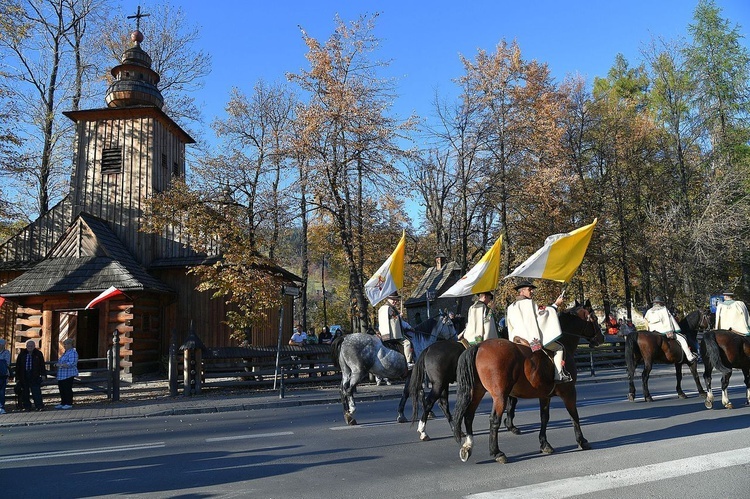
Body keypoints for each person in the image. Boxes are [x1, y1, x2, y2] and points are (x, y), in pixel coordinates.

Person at [506, 281, 571, 383]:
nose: (532, 291)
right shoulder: (529, 303)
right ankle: (559, 375)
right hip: (530, 340)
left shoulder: (510, 307)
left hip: (516, 340)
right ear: (522, 291)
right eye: (529, 289)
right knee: (559, 348)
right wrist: (555, 305)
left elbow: (509, 326)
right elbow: (541, 316)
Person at [644, 297, 697, 364]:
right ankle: (690, 357)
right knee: (682, 339)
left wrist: (648, 331)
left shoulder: (649, 311)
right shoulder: (664, 310)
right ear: (661, 303)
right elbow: (669, 320)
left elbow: (645, 321)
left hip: (652, 332)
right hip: (663, 331)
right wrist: (673, 330)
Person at [378, 292, 413, 364]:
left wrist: (408, 326)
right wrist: (399, 316)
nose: (395, 301)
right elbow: (392, 320)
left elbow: (395, 320)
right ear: (388, 299)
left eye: (396, 300)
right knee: (407, 343)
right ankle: (408, 362)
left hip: (388, 333)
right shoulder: (388, 308)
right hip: (392, 335)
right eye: (393, 299)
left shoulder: (388, 308)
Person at [15, 340, 47, 411]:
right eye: (28, 346)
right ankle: (27, 407)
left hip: (34, 375)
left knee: (36, 392)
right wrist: (17, 378)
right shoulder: (22, 354)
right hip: (24, 375)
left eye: (31, 346)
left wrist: (43, 374)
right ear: (26, 346)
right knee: (25, 392)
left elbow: (42, 365)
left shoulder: (38, 354)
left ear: (34, 346)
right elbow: (18, 366)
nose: (30, 347)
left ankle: (39, 406)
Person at [55, 338, 79, 410]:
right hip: (62, 374)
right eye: (64, 344)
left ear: (70, 345)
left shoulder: (73, 352)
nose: (64, 346)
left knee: (67, 389)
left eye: (65, 344)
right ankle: (63, 402)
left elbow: (72, 363)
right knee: (62, 389)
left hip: (68, 374)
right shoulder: (65, 352)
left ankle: (69, 403)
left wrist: (61, 365)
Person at [0, 338, 10, 414]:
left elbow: (7, 363)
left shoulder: (6, 353)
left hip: (3, 375)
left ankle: (1, 407)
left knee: (2, 392)